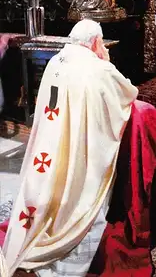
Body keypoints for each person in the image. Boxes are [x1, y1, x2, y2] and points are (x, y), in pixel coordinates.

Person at [2, 19, 138, 277]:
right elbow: (128, 93)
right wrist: (106, 63)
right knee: (78, 187)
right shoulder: (98, 69)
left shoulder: (56, 61)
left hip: (49, 143)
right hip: (76, 144)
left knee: (50, 180)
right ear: (97, 42)